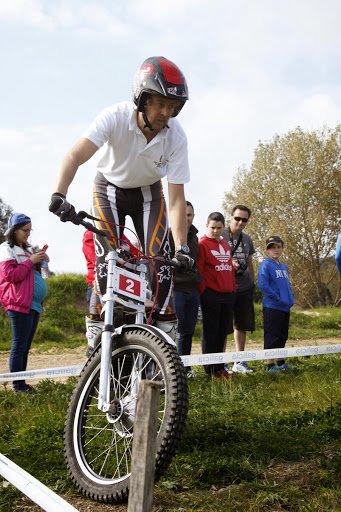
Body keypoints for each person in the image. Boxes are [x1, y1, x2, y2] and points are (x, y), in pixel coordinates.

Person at [49, 56, 192, 341]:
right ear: (142, 98)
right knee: (108, 261)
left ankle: (161, 336)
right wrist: (59, 194)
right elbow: (74, 156)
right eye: (159, 103)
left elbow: (176, 200)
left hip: (149, 193)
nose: (166, 112)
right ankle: (96, 332)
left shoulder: (176, 136)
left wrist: (183, 247)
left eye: (172, 106)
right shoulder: (114, 116)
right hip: (108, 189)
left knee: (160, 264)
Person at [0, 213, 49, 393]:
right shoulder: (6, 249)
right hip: (19, 303)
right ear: (14, 230)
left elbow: (28, 274)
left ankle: (22, 384)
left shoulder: (25, 250)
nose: (28, 233)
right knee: (19, 345)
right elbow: (11, 276)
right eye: (25, 230)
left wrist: (39, 260)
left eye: (30, 230)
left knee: (25, 347)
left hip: (32, 304)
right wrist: (31, 261)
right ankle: (17, 386)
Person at [198, 212, 235, 379]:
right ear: (207, 226)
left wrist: (232, 288)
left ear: (224, 228)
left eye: (219, 228)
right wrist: (204, 291)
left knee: (222, 332)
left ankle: (220, 367)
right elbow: (199, 270)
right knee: (211, 332)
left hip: (227, 294)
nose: (215, 231)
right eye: (212, 227)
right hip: (211, 294)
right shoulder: (202, 244)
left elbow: (228, 268)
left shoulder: (225, 244)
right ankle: (210, 369)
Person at [169, 201, 202, 378]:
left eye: (189, 215)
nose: (186, 218)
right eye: (183, 214)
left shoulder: (195, 237)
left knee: (189, 331)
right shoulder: (169, 234)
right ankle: (174, 369)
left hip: (193, 289)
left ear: (193, 216)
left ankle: (186, 367)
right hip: (177, 288)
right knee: (176, 331)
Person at [222, 205, 255, 374]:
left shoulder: (247, 238)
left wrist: (252, 281)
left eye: (244, 220)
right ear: (231, 217)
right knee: (224, 326)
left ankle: (239, 361)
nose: (240, 222)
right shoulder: (220, 233)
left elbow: (249, 261)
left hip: (244, 287)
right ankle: (222, 362)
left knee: (241, 325)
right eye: (237, 218)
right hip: (224, 287)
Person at [257, 235, 295, 372]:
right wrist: (276, 297)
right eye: (273, 248)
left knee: (282, 336)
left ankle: (280, 363)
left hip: (284, 307)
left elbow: (287, 285)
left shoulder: (284, 267)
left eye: (279, 247)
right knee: (272, 335)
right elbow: (262, 284)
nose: (276, 250)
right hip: (272, 306)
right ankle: (270, 365)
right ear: (267, 250)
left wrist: (290, 298)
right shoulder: (265, 264)